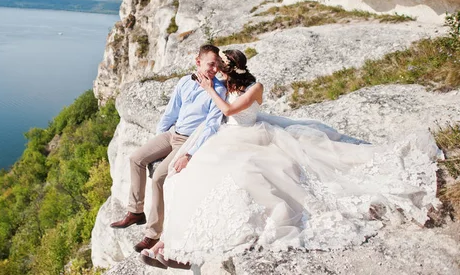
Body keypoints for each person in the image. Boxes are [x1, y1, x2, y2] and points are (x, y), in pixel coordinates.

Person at [141, 49, 441, 270]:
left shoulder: (252, 88)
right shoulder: (225, 86)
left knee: (245, 175)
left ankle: (173, 245)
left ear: (233, 68)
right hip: (227, 137)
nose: (219, 70)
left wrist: (209, 89)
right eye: (217, 67)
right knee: (185, 179)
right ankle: (169, 242)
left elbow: (231, 112)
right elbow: (213, 117)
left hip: (250, 135)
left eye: (223, 67)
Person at [110, 44, 227, 253]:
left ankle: (152, 234)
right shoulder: (184, 81)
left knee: (159, 178)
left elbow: (212, 124)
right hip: (173, 134)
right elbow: (171, 112)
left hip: (189, 141)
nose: (214, 69)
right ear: (197, 62)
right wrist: (159, 139)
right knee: (136, 158)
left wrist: (189, 154)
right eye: (211, 64)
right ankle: (136, 211)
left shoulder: (218, 89)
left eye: (217, 65)